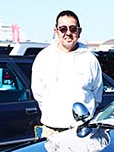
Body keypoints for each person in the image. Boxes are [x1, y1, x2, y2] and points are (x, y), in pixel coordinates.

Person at [32, 9, 103, 139]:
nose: (68, 33)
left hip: (83, 131)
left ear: (79, 32)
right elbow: (38, 93)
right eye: (63, 29)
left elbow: (97, 94)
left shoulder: (90, 59)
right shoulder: (43, 58)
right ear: (56, 31)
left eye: (73, 28)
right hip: (51, 132)